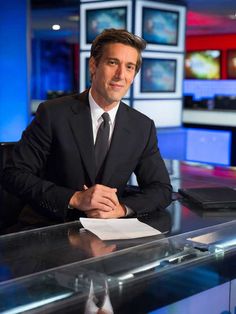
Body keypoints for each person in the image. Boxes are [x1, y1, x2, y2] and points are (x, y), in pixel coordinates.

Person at [2, 28, 172, 228]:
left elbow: (161, 189)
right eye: (112, 63)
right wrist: (74, 198)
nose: (120, 75)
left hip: (109, 232)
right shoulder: (53, 113)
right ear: (93, 65)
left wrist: (121, 209)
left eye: (129, 67)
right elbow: (14, 173)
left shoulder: (142, 126)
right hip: (48, 228)